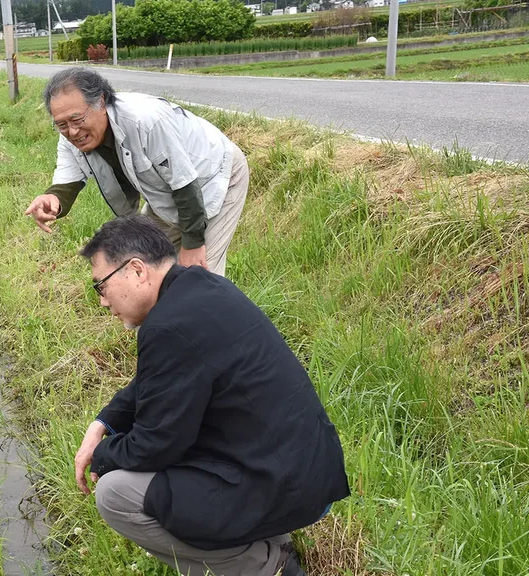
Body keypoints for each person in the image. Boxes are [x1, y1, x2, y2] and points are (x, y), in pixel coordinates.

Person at [73, 215, 350, 575]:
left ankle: (267, 566)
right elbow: (152, 382)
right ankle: (271, 542)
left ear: (137, 270)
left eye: (101, 286)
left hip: (283, 487)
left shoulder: (168, 325)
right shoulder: (199, 288)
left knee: (115, 494)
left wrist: (103, 455)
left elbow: (154, 445)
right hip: (305, 472)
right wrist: (103, 423)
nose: (103, 303)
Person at [25, 67, 250, 277]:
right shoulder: (71, 138)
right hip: (165, 192)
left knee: (200, 276)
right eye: (61, 124)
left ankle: (212, 315)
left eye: (77, 119)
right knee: (141, 269)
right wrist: (51, 199)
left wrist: (192, 242)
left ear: (101, 102)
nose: (72, 131)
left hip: (214, 176)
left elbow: (184, 183)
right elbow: (68, 180)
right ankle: (158, 318)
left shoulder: (145, 120)